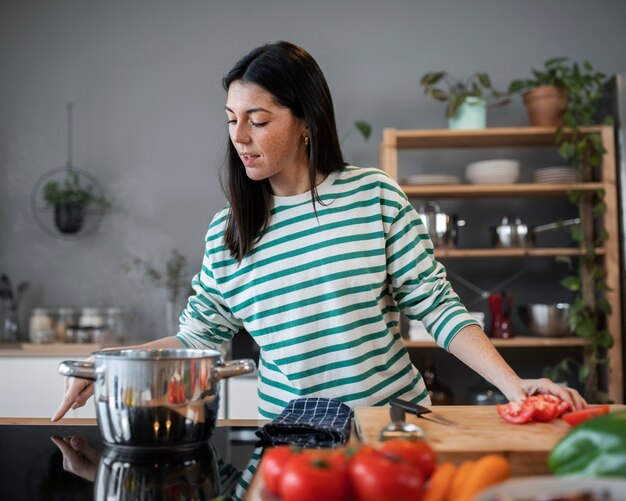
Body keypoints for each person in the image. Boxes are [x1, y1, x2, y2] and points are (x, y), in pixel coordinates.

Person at [52, 40, 586, 422]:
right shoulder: (228, 232)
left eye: (258, 120)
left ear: (306, 121)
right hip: (292, 436)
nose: (239, 136)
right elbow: (198, 341)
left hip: (390, 426)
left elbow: (437, 306)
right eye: (230, 119)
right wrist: (105, 366)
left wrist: (514, 386)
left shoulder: (374, 196)